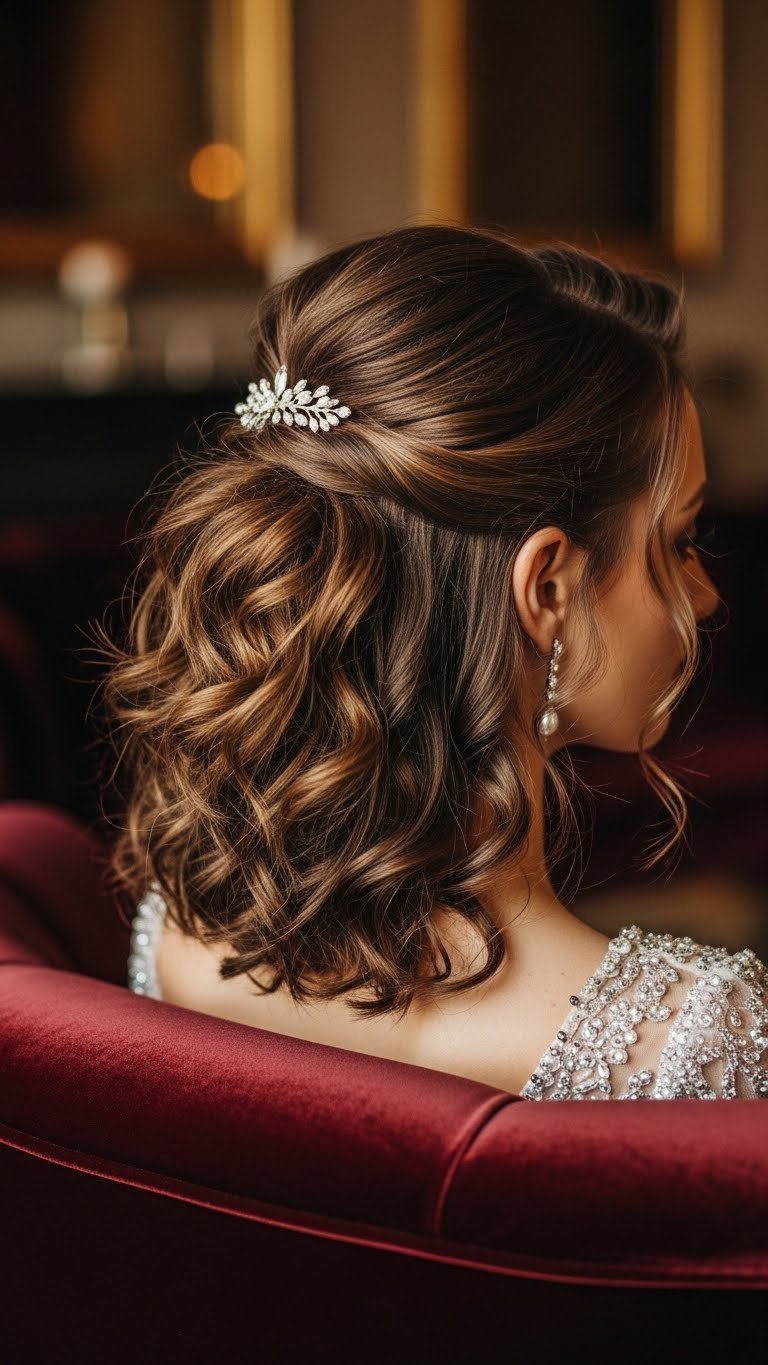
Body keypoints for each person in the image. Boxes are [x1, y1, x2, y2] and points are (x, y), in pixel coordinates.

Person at [105, 222, 768, 1100]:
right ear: (548, 589)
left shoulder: (176, 937)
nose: (708, 592)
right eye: (681, 541)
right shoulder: (703, 1044)